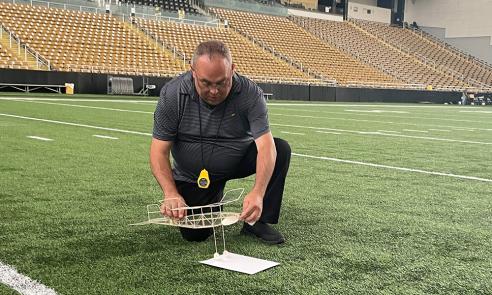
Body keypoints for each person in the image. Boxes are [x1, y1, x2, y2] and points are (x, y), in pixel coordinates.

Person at [150, 40, 291, 245]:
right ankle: (213, 195)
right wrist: (170, 193)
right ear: (193, 72)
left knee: (280, 148)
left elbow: (265, 146)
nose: (214, 91)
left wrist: (258, 192)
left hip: (236, 160)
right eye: (206, 83)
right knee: (195, 235)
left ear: (233, 69)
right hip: (194, 175)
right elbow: (158, 151)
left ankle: (257, 222)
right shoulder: (173, 94)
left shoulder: (250, 94)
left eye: (222, 82)